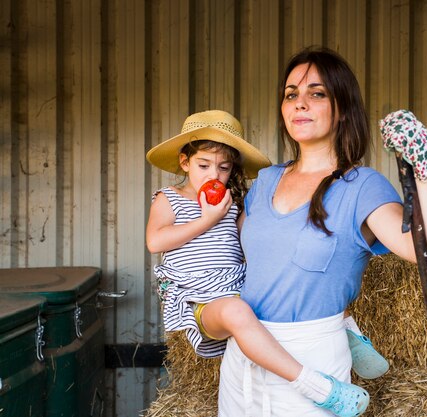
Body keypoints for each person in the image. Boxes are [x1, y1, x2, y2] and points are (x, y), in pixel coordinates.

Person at [218, 46, 427, 417]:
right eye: (291, 94)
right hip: (243, 359)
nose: (299, 103)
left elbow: (423, 249)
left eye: (316, 93)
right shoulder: (265, 181)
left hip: (313, 366)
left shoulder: (362, 186)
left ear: (341, 110)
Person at [145, 110, 372, 417]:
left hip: (238, 287)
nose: (214, 175)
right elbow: (155, 242)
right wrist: (207, 219)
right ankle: (315, 386)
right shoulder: (170, 198)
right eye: (203, 165)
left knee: (301, 283)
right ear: (185, 162)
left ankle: (348, 334)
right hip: (201, 298)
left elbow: (255, 245)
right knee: (237, 311)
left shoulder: (231, 204)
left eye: (224, 168)